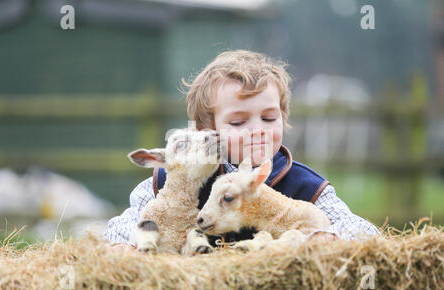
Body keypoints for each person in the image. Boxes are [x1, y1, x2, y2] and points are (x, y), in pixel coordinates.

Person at [104, 50, 380, 251]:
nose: (258, 129)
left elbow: (366, 234)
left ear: (283, 119)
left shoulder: (306, 187)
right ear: (206, 132)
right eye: (239, 121)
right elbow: (120, 228)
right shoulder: (171, 184)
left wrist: (323, 238)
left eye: (269, 118)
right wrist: (125, 247)